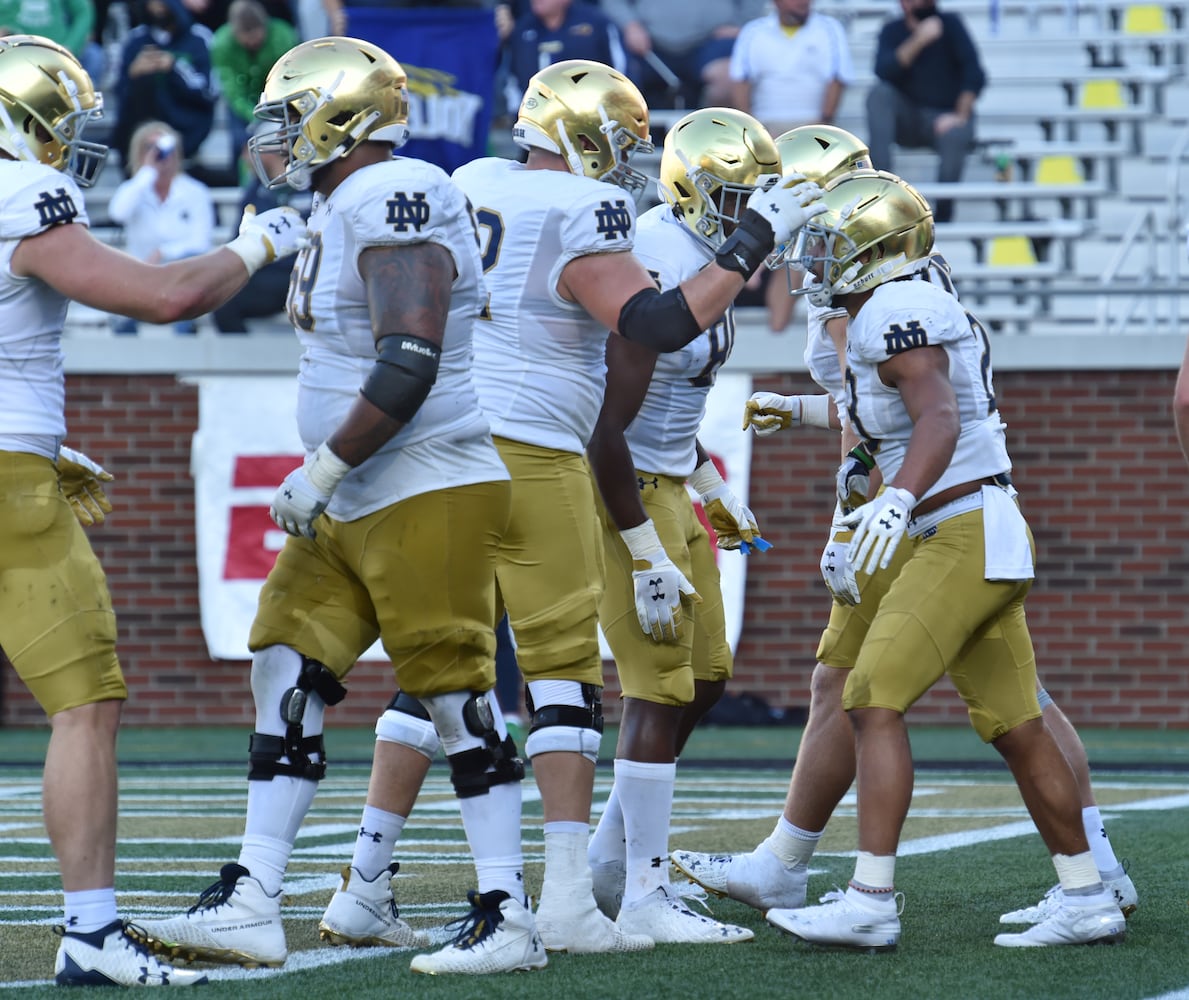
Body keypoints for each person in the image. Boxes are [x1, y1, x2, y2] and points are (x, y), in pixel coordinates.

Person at [315, 57, 827, 967]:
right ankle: (551, 903)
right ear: (581, 134)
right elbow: (655, 327)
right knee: (559, 677)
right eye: (618, 144)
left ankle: (363, 883)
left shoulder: (468, 181)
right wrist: (747, 246)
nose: (627, 165)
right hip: (537, 448)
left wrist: (702, 485)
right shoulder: (590, 213)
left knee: (443, 668)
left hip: (452, 436)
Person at [125, 35, 547, 977]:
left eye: (286, 117)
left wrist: (320, 466)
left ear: (339, 119)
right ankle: (254, 895)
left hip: (425, 475)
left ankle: (505, 910)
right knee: (285, 661)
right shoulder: (334, 204)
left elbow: (409, 357)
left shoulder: (398, 194)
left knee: (452, 695)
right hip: (359, 489)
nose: (272, 138)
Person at [671, 133, 1138, 934]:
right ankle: (1089, 892)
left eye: (822, 241)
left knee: (871, 695)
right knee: (1012, 720)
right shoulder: (885, 300)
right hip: (954, 518)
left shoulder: (894, 304)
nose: (807, 257)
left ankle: (868, 902)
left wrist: (889, 503)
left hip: (951, 522)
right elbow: (885, 418)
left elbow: (939, 416)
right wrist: (831, 455)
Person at [0, 33, 305, 987]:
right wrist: (258, 238)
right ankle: (91, 931)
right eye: (62, 123)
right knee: (84, 705)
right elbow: (165, 295)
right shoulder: (24, 191)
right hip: (9, 485)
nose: (73, 142)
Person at [584, 106, 783, 946]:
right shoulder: (657, 257)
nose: (749, 218)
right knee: (658, 683)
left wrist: (709, 482)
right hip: (620, 486)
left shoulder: (701, 252)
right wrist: (637, 545)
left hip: (668, 479)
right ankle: (643, 894)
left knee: (704, 676)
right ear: (694, 190)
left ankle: (610, 854)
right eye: (736, 198)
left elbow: (670, 405)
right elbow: (603, 425)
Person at [729, 1, 853, 334]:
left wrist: (818, 131)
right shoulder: (754, 33)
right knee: (756, 225)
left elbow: (838, 80)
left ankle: (775, 329)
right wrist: (756, 132)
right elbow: (738, 82)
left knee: (804, 239)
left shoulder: (830, 29)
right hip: (766, 132)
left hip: (813, 135)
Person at [866, 0, 986, 224]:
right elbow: (884, 71)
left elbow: (975, 75)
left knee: (956, 134)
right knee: (878, 95)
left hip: (946, 118)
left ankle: (944, 215)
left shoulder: (951, 24)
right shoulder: (892, 30)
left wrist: (959, 115)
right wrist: (919, 40)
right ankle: (881, 196)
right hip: (909, 120)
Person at [106, 120, 214, 335]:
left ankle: (184, 345)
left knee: (186, 284)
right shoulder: (135, 189)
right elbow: (117, 213)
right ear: (139, 153)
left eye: (166, 148)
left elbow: (201, 242)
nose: (161, 155)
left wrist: (164, 253)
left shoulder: (195, 192)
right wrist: (146, 173)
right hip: (141, 275)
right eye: (150, 148)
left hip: (179, 277)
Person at [212, 122, 313, 334]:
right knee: (222, 301)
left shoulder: (314, 184)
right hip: (267, 272)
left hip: (308, 272)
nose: (246, 157)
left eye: (252, 149)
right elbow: (238, 240)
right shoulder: (256, 190)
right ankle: (241, 362)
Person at [600, 0, 767, 110]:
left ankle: (722, 142)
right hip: (647, 43)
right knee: (621, 86)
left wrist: (741, 24)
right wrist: (630, 25)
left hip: (713, 40)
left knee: (726, 82)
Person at [111, 0, 215, 168]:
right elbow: (119, 91)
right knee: (143, 82)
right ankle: (138, 158)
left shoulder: (199, 37)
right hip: (142, 123)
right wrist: (134, 73)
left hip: (186, 123)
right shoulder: (135, 40)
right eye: (152, 3)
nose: (158, 9)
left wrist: (174, 67)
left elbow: (207, 92)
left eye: (163, 3)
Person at [210, 0, 298, 178]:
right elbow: (233, 91)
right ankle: (246, 187)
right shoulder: (222, 44)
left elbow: (290, 79)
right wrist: (256, 116)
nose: (251, 41)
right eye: (246, 36)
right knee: (241, 142)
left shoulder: (283, 36)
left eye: (256, 34)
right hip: (243, 104)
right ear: (235, 33)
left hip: (279, 99)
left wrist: (273, 114)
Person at [503, 0, 625, 118]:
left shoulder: (597, 24)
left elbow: (620, 70)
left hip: (595, 116)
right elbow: (512, 78)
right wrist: (520, 115)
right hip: (537, 119)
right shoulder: (522, 29)